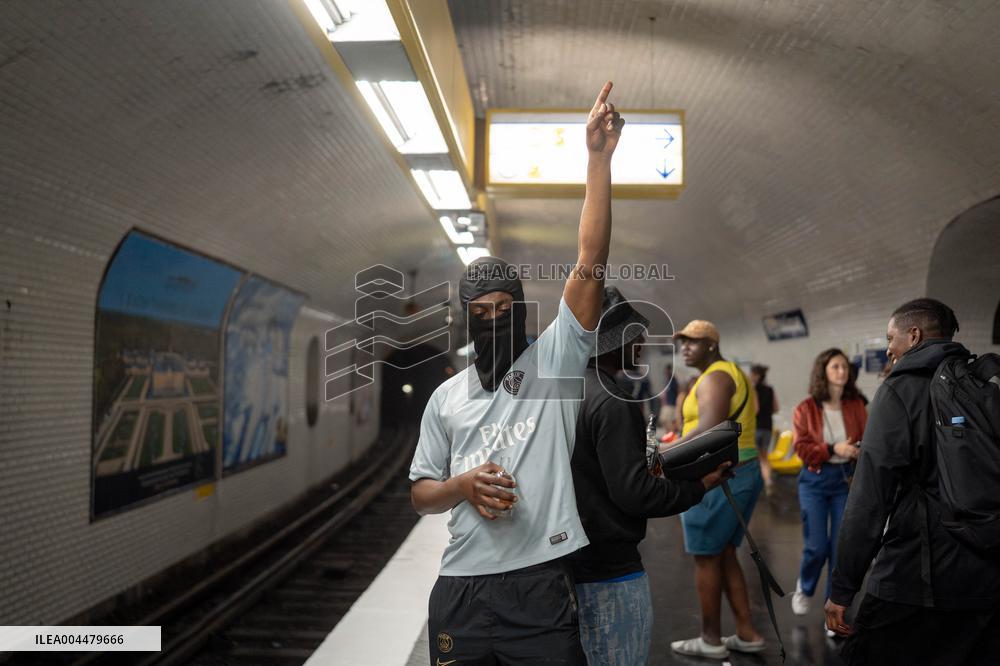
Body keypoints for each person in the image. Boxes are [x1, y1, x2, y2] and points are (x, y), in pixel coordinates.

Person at [408, 82, 624, 665]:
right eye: (480, 315)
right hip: (459, 589)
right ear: (465, 319)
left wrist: (598, 159)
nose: (493, 321)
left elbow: (590, 261)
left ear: (521, 309)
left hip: (539, 585)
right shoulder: (446, 398)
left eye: (504, 309)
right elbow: (422, 494)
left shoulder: (554, 362)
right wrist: (461, 486)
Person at [825, 298, 1000, 664]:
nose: (889, 349)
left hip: (915, 576)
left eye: (891, 338)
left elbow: (869, 500)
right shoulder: (982, 385)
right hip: (985, 576)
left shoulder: (899, 390)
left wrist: (843, 588)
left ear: (914, 335)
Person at [568, 287, 731, 665]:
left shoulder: (569, 389)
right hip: (610, 571)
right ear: (613, 343)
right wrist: (698, 486)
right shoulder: (613, 400)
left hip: (569, 562)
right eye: (634, 335)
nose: (642, 342)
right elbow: (634, 493)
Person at [666, 320, 766, 660]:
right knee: (723, 554)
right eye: (682, 342)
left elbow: (708, 430)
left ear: (711, 344)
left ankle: (710, 639)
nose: (685, 347)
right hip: (740, 472)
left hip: (718, 477)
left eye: (693, 342)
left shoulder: (716, 376)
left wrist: (660, 454)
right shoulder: (729, 373)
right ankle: (747, 633)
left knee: (706, 557)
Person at [790, 349, 867, 631]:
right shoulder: (805, 408)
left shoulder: (856, 405)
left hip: (845, 480)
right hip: (814, 480)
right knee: (816, 546)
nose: (841, 371)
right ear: (823, 371)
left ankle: (831, 612)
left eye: (844, 367)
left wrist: (856, 450)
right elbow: (801, 448)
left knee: (839, 549)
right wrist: (834, 448)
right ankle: (805, 587)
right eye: (835, 366)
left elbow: (867, 437)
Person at [750, 364, 779, 492]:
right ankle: (768, 481)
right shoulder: (770, 389)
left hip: (756, 427)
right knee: (764, 457)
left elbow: (755, 409)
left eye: (752, 374)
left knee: (755, 458)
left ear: (757, 375)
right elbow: (776, 408)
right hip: (768, 427)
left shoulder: (753, 389)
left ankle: (757, 484)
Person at [658, 364, 679, 432]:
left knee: (669, 421)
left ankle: (670, 433)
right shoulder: (667, 379)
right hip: (666, 404)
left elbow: (676, 390)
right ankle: (668, 433)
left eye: (667, 370)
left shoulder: (672, 380)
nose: (665, 371)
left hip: (671, 403)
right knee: (663, 420)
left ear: (670, 370)